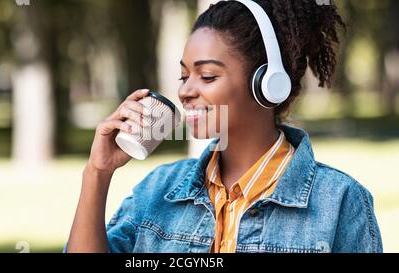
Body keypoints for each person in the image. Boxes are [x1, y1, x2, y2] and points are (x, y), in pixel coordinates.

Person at [65, 0, 382, 253]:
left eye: (207, 76)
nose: (186, 91)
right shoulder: (157, 190)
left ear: (267, 83)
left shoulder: (339, 201)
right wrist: (97, 172)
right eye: (183, 76)